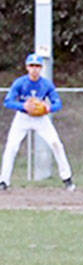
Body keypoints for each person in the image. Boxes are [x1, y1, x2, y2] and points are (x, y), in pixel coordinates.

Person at [1, 53, 75, 192]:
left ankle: (67, 179)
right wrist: (22, 106)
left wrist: (49, 108)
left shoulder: (46, 84)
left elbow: (57, 103)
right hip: (22, 118)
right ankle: (3, 181)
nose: (34, 69)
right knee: (11, 147)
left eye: (37, 66)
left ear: (41, 68)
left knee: (56, 144)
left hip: (41, 119)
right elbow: (8, 101)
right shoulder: (20, 82)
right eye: (31, 66)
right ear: (27, 67)